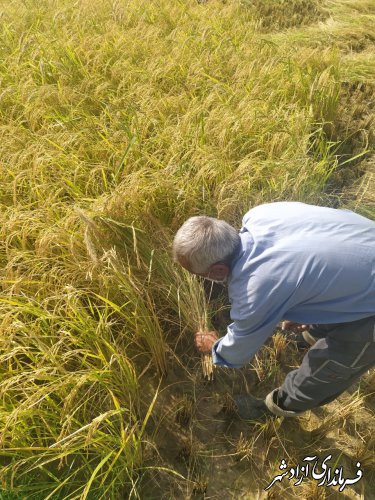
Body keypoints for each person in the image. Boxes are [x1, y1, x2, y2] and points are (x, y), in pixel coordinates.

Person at [172, 202, 375, 419]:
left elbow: (238, 353)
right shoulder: (261, 214)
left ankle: (276, 408)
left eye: (200, 274)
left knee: (327, 369)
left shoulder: (253, 292)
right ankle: (309, 336)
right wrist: (300, 311)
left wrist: (215, 347)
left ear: (218, 270)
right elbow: (307, 268)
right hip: (365, 252)